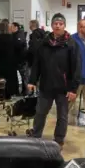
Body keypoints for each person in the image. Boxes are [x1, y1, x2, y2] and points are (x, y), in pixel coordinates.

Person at [28, 13, 81, 149]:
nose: (58, 26)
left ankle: (59, 140)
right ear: (52, 26)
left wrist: (73, 88)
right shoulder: (44, 43)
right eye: (55, 24)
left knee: (62, 116)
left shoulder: (71, 44)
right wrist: (32, 81)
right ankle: (36, 137)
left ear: (64, 25)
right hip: (46, 86)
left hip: (64, 88)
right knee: (40, 113)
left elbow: (76, 67)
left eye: (60, 24)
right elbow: (37, 64)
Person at [0, 21, 18, 99]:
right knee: (10, 80)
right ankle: (9, 94)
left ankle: (0, 94)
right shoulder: (13, 38)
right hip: (10, 63)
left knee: (0, 79)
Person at [11, 22, 28, 95]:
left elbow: (19, 45)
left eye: (11, 27)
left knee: (23, 76)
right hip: (17, 59)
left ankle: (26, 91)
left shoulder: (19, 35)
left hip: (21, 59)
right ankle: (19, 91)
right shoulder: (15, 35)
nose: (10, 28)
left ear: (16, 27)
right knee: (18, 76)